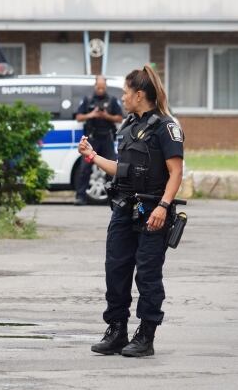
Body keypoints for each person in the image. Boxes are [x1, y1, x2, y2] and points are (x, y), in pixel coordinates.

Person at [79, 65, 184, 357]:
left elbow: (176, 173)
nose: (122, 97)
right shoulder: (127, 126)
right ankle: (116, 330)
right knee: (116, 269)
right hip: (124, 208)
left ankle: (146, 335)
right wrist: (93, 156)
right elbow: (121, 171)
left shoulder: (166, 127)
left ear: (139, 94)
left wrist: (163, 206)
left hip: (153, 210)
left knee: (148, 274)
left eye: (125, 92)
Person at [74, 76, 123, 205]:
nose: (100, 89)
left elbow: (119, 118)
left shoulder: (112, 100)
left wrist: (107, 116)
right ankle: (80, 197)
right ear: (95, 86)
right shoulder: (88, 99)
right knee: (85, 169)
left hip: (107, 138)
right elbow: (79, 117)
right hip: (92, 139)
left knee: (111, 168)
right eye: (98, 87)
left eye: (102, 87)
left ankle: (112, 198)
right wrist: (92, 115)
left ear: (105, 86)